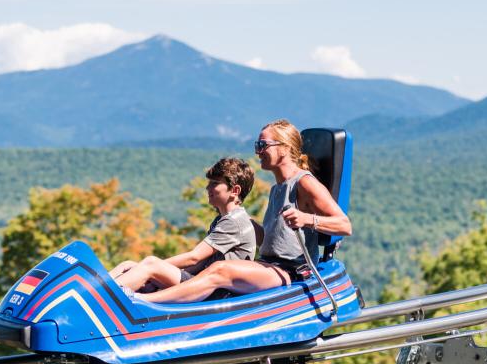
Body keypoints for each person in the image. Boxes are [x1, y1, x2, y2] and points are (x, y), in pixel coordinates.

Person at [139, 119, 352, 304]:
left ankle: (145, 302)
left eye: (263, 145)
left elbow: (344, 225)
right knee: (211, 266)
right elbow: (273, 239)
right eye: (256, 145)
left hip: (290, 271)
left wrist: (306, 219)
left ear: (284, 148)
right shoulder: (277, 188)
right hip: (268, 265)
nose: (258, 151)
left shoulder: (305, 183)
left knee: (220, 270)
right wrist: (239, 220)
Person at [109, 157, 258, 293]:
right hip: (204, 282)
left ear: (235, 190)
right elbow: (200, 264)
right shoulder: (223, 219)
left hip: (217, 291)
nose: (207, 188)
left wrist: (151, 269)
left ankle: (102, 300)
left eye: (215, 183)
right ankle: (95, 293)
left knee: (149, 264)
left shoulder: (233, 221)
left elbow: (194, 258)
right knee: (128, 265)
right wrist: (160, 275)